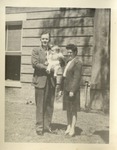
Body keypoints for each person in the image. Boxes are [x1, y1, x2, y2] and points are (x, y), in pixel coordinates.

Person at [31, 31, 56, 135]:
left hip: (51, 82)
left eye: (46, 39)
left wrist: (56, 65)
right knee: (40, 105)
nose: (45, 40)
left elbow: (58, 61)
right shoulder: (36, 50)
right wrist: (47, 67)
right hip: (40, 81)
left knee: (49, 105)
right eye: (43, 39)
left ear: (49, 40)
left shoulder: (53, 51)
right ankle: (39, 128)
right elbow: (35, 64)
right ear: (40, 40)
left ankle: (47, 126)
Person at [60, 44, 82, 137]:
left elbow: (77, 78)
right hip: (66, 89)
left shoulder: (77, 62)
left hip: (73, 90)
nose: (69, 54)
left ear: (75, 53)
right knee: (68, 109)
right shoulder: (68, 61)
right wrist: (61, 89)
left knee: (73, 110)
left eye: (71, 52)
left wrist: (72, 90)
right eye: (68, 52)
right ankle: (68, 126)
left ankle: (73, 128)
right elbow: (64, 76)